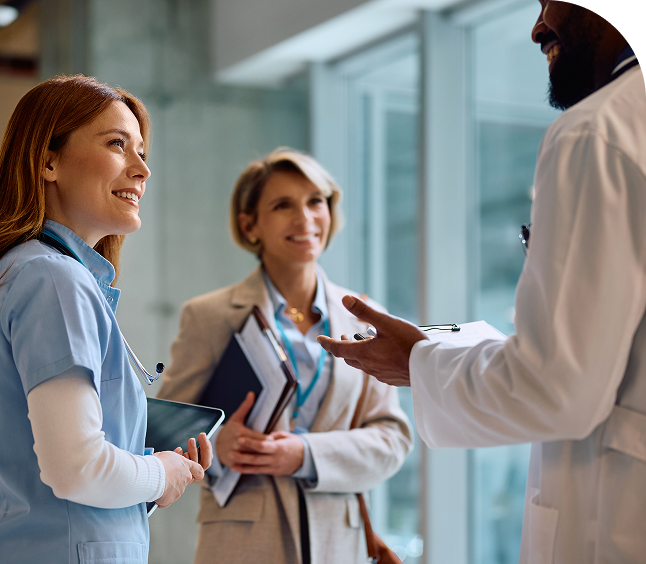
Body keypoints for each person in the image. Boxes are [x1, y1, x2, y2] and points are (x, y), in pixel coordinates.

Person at [318, 2, 646, 562]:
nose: (539, 26)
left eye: (550, 0)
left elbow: (557, 388)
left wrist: (418, 361)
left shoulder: (598, 131)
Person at [0, 75, 212, 564]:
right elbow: (76, 467)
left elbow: (48, 480)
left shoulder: (14, 274)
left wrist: (149, 483)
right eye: (118, 144)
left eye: (142, 151)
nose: (142, 170)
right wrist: (161, 471)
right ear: (47, 161)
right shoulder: (53, 279)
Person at [157, 148, 413, 564]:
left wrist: (306, 454)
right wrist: (217, 445)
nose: (306, 218)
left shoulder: (365, 316)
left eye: (316, 201)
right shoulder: (209, 316)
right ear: (249, 224)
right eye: (282, 205)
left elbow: (393, 439)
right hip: (241, 546)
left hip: (339, 545)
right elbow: (167, 429)